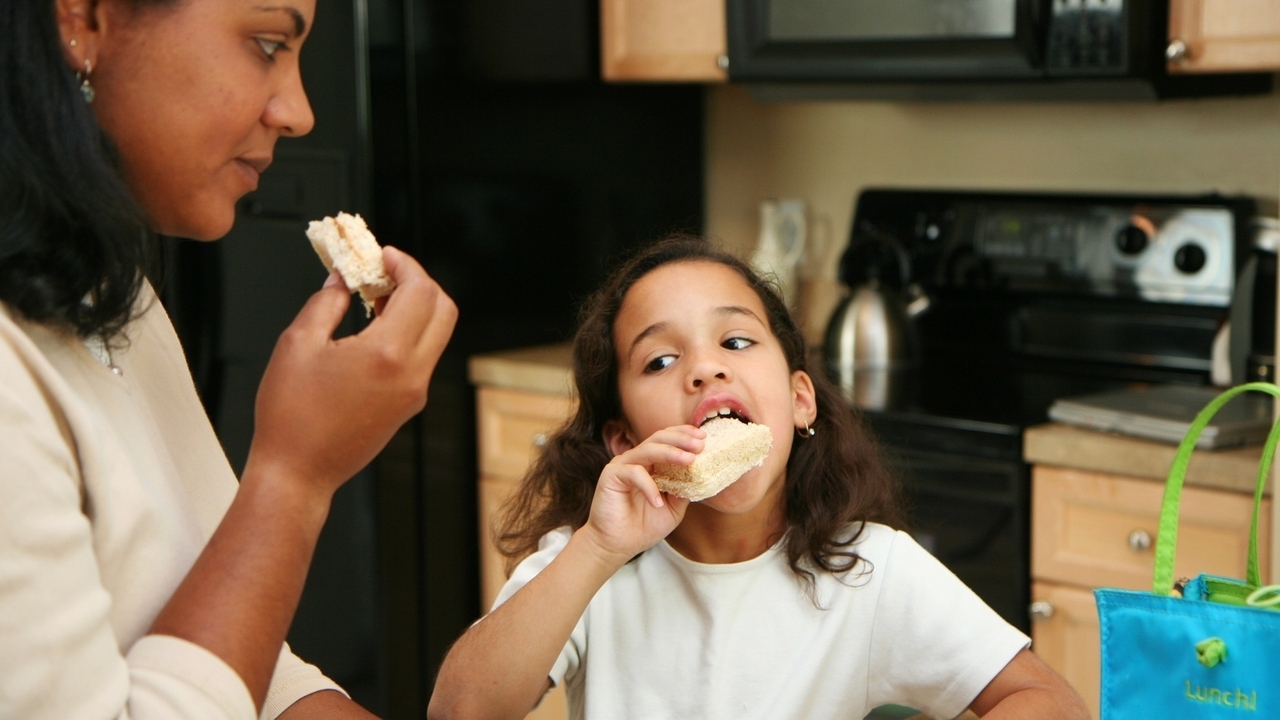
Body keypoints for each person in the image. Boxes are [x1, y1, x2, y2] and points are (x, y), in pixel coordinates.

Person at [0, 0, 456, 718]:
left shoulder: (116, 299)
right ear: (83, 19)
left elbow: (243, 667)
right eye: (268, 43)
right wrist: (293, 477)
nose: (300, 112)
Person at [429, 236, 1088, 719]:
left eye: (736, 342)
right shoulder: (592, 566)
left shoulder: (869, 569)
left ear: (801, 400)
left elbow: (1049, 701)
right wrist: (597, 549)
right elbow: (460, 710)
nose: (705, 369)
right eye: (659, 360)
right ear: (625, 440)